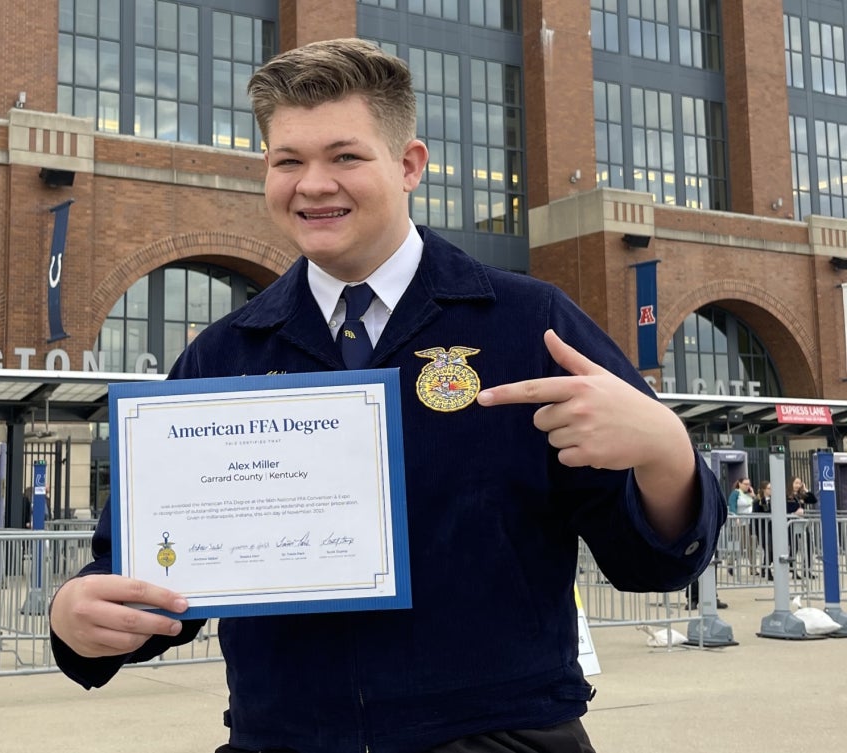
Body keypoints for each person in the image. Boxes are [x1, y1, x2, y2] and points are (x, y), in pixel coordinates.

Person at [49, 39, 726, 753]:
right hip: (283, 740)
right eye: (288, 161)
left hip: (497, 738)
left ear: (409, 165)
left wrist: (665, 451)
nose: (313, 185)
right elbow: (146, 571)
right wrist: (77, 615)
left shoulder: (532, 326)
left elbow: (652, 561)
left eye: (345, 156)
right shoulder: (224, 357)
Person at [787, 476, 816, 579]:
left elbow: (813, 500)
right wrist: (794, 512)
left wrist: (806, 490)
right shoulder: (787, 496)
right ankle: (793, 569)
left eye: (799, 483)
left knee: (809, 545)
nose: (798, 485)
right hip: (791, 523)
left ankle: (807, 569)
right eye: (796, 483)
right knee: (794, 547)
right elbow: (785, 508)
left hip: (802, 523)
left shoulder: (800, 495)